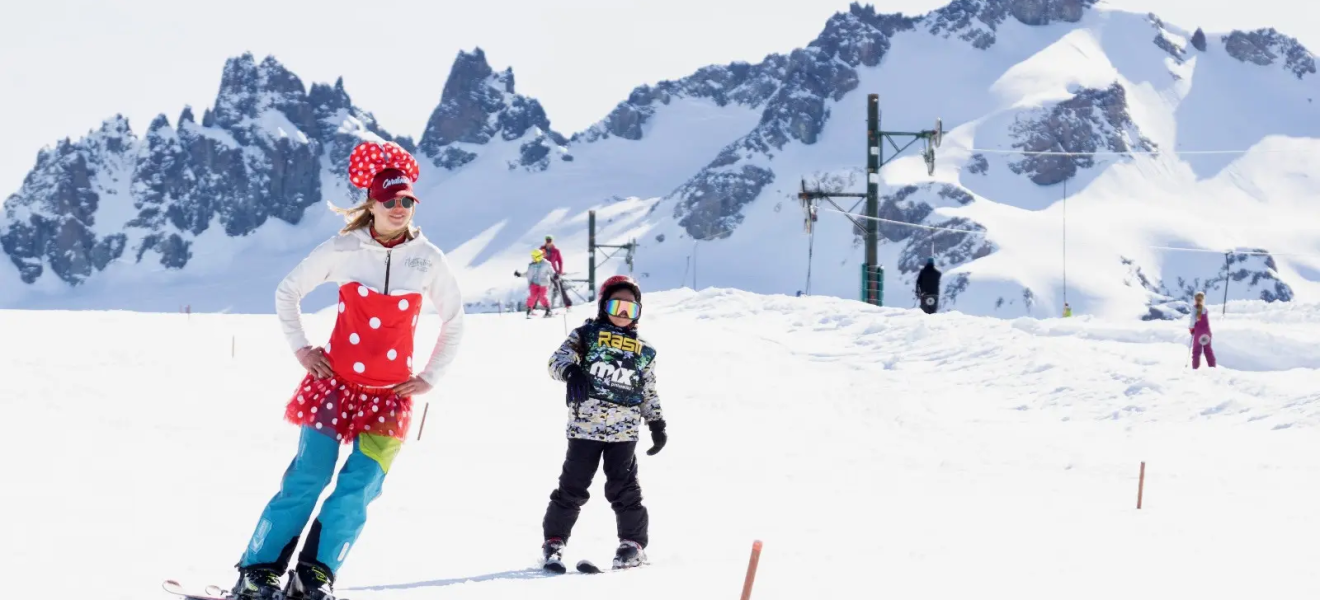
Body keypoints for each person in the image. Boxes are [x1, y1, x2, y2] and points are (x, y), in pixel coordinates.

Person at [230, 140, 466, 600]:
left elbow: (455, 321)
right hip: (333, 388)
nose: (399, 208)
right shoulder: (344, 248)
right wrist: (302, 350)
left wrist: (430, 376)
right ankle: (257, 571)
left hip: (390, 399)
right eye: (390, 200)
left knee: (358, 490)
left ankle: (314, 575)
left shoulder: (427, 258)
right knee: (307, 478)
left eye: (407, 201)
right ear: (372, 204)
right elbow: (287, 292)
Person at [539, 275, 667, 572]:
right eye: (617, 305)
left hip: (624, 431)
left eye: (631, 309)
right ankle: (554, 541)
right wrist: (572, 370)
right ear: (603, 306)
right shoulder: (585, 335)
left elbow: (648, 389)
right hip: (586, 427)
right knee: (572, 486)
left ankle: (632, 545)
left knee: (625, 488)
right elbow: (555, 361)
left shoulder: (644, 350)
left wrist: (657, 422)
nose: (623, 314)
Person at [515, 248, 555, 318]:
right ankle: (529, 310)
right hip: (534, 283)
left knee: (542, 297)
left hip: (543, 283)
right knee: (532, 297)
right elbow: (528, 274)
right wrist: (520, 275)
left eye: (534, 257)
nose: (532, 258)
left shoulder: (546, 264)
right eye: (532, 257)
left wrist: (555, 276)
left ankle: (548, 310)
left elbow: (552, 272)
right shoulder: (531, 265)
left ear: (539, 257)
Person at [1189, 291, 1216, 369]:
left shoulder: (1194, 308)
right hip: (1207, 333)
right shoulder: (1205, 309)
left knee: (1196, 351)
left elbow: (1192, 320)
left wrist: (1191, 329)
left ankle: (1195, 369)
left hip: (1199, 333)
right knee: (1208, 350)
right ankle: (1212, 367)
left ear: (1195, 299)